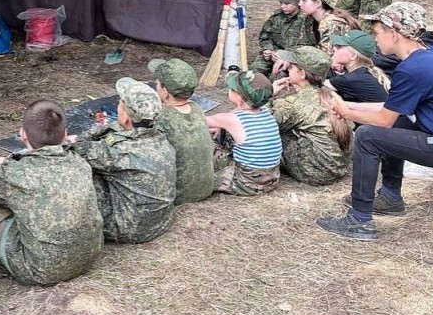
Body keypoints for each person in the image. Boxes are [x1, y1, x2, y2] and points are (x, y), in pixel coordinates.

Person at [317, 2, 433, 242]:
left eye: (377, 32)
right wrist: (349, 107)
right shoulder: (428, 55)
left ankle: (359, 220)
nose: (375, 39)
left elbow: (382, 119)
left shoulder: (413, 68)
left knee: (367, 136)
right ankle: (391, 197)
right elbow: (392, 110)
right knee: (397, 123)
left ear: (394, 34)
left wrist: (347, 113)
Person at [0, 99, 104, 285]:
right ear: (65, 134)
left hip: (38, 270)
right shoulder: (79, 161)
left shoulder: (15, 172)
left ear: (23, 134)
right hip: (89, 256)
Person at [71, 78, 176, 243]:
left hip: (131, 229)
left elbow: (79, 147)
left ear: (126, 117)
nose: (117, 106)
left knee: (81, 171)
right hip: (162, 221)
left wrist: (96, 131)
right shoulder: (160, 135)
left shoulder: (117, 152)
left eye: (120, 104)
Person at [268, 47, 352, 186]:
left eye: (291, 67)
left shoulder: (293, 103)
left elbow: (264, 125)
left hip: (315, 172)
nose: (287, 69)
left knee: (274, 132)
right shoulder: (329, 94)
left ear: (301, 74)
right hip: (337, 167)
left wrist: (269, 95)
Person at [206, 70, 283, 196]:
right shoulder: (265, 110)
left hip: (248, 182)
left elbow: (200, 120)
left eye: (232, 88)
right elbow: (237, 112)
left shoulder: (231, 120)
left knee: (207, 144)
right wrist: (221, 125)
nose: (229, 89)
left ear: (240, 99)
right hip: (272, 178)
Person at [150, 58, 215, 204]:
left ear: (165, 91)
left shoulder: (163, 118)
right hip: (206, 188)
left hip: (180, 194)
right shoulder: (197, 109)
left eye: (157, 82)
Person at [251, 0, 314, 77]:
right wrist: (268, 49)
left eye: (287, 3)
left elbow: (308, 46)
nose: (282, 6)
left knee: (278, 75)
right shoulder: (276, 17)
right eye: (281, 3)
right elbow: (265, 37)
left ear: (297, 3)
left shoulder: (306, 20)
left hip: (293, 58)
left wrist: (286, 56)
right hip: (273, 54)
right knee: (255, 70)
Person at [295, 0, 360, 56]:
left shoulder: (332, 24)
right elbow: (302, 47)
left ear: (318, 3)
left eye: (304, 0)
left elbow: (326, 57)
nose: (299, 4)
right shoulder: (310, 19)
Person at [325, 30, 390, 105]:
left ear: (353, 56)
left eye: (339, 47)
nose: (334, 48)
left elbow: (316, 83)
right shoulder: (364, 73)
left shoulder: (352, 79)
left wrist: (328, 64)